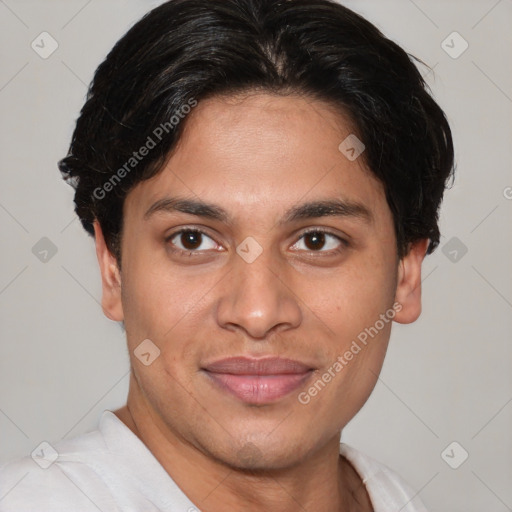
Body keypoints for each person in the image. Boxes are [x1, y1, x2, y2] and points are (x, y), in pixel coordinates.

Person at [0, 0, 454, 510]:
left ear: (406, 274)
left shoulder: (395, 498)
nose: (257, 313)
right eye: (192, 240)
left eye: (317, 240)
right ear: (112, 268)